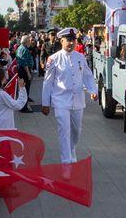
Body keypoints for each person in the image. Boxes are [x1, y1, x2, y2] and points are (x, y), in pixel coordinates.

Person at [41, 28, 97, 164]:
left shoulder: (80, 57)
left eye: (73, 41)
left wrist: (93, 90)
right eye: (68, 40)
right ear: (62, 41)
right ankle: (66, 161)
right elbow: (47, 82)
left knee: (76, 130)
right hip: (61, 100)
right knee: (64, 130)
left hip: (77, 100)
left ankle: (72, 150)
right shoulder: (53, 59)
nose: (71, 43)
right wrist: (45, 103)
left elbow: (87, 75)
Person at [15, 34, 36, 113]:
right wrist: (28, 73)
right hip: (24, 71)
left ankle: (23, 106)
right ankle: (24, 107)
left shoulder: (21, 48)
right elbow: (24, 63)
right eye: (29, 41)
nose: (30, 42)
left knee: (23, 89)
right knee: (25, 89)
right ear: (26, 41)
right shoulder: (23, 49)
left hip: (22, 70)